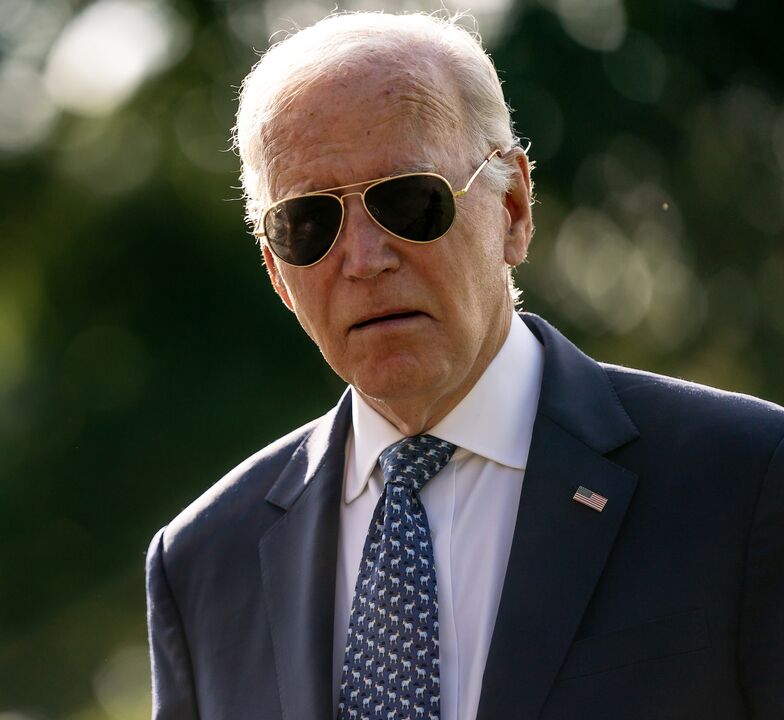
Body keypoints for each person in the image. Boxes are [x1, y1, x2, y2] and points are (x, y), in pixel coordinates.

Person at [145, 11, 784, 720]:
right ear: (275, 270)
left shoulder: (743, 479)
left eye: (409, 201)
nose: (363, 260)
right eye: (309, 224)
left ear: (512, 207)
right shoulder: (202, 562)